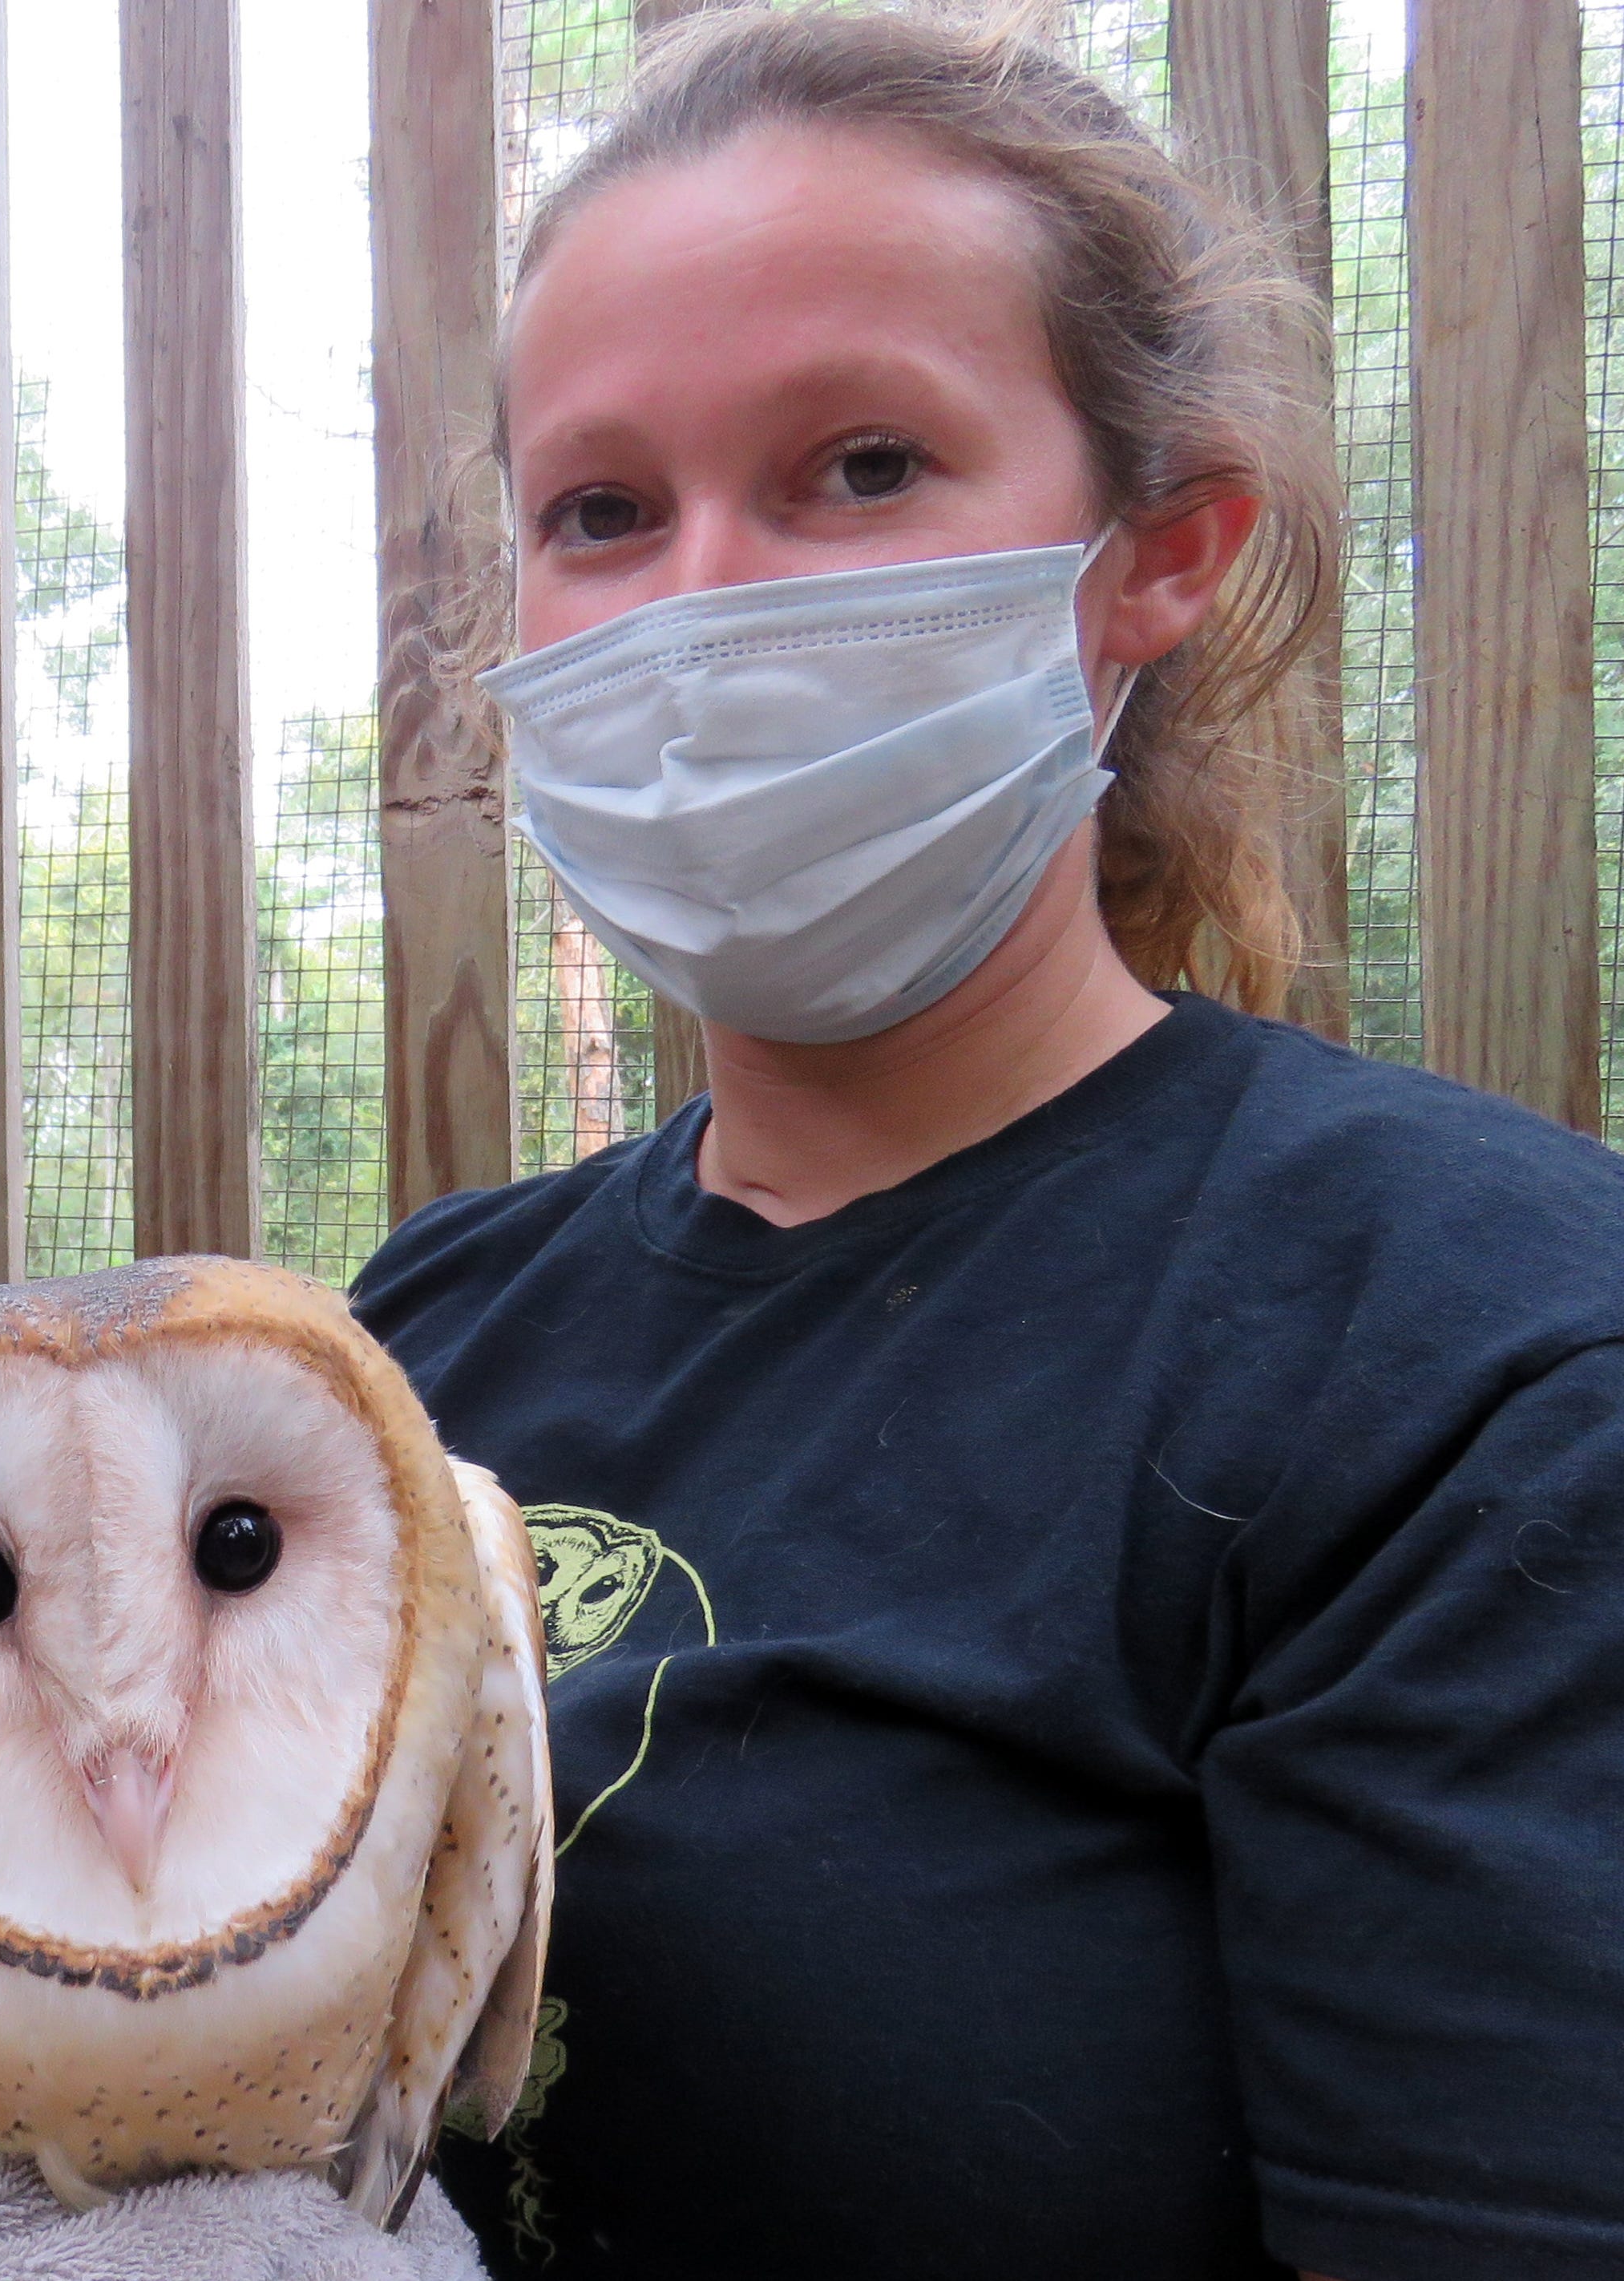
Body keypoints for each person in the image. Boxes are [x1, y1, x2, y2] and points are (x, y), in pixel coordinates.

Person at [350, 12, 1624, 2281]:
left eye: (860, 464)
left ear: (1156, 560)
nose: (710, 596)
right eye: (604, 509)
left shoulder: (1470, 1351)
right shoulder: (413, 1339)